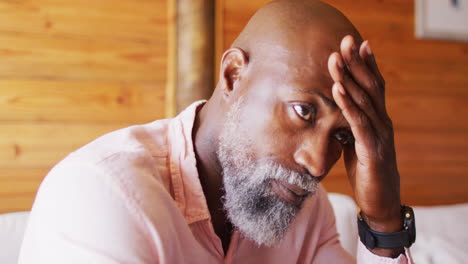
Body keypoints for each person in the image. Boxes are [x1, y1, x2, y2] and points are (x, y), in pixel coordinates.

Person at [19, 0, 415, 263]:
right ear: (233, 75)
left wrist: (384, 223)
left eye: (342, 136)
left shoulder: (306, 212)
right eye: (303, 111)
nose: (316, 163)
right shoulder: (99, 194)